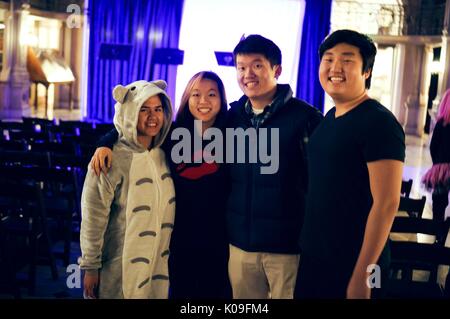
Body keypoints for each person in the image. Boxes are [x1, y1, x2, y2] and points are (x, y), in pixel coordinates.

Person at [89, 71, 232, 299]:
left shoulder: (232, 134)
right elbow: (132, 131)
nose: (203, 101)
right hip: (178, 239)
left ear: (222, 100)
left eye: (211, 94)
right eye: (196, 94)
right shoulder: (173, 134)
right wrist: (105, 144)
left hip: (219, 239)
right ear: (187, 98)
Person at [296, 29, 405, 299]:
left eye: (347, 60)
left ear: (366, 71)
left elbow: (387, 203)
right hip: (317, 257)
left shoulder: (379, 122)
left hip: (358, 263)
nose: (335, 67)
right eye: (328, 59)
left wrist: (364, 275)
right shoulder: (330, 118)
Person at [226, 34, 322, 299]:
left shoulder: (306, 119)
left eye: (257, 65)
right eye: (241, 67)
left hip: (287, 249)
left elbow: (320, 184)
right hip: (241, 246)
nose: (247, 74)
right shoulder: (233, 118)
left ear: (276, 70)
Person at [79, 80, 175, 299]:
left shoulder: (165, 153)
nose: (153, 117)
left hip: (156, 271)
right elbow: (93, 217)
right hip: (117, 269)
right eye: (144, 109)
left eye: (158, 109)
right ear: (130, 111)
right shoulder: (107, 159)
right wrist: (90, 266)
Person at [422, 88, 450, 243]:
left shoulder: (441, 124)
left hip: (441, 167)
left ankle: (438, 232)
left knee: (439, 200)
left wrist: (438, 164)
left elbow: (433, 147)